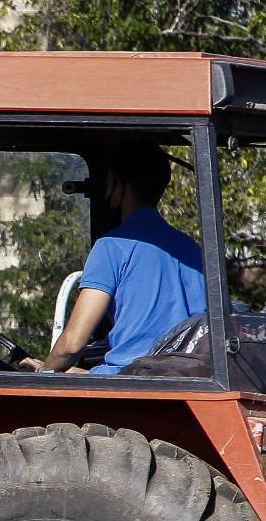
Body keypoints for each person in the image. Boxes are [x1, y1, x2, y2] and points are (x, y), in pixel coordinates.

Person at [22, 142, 204, 375]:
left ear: (120, 185)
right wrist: (58, 370)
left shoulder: (112, 247)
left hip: (131, 387)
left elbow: (72, 345)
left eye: (108, 183)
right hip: (178, 380)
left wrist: (45, 371)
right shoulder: (191, 250)